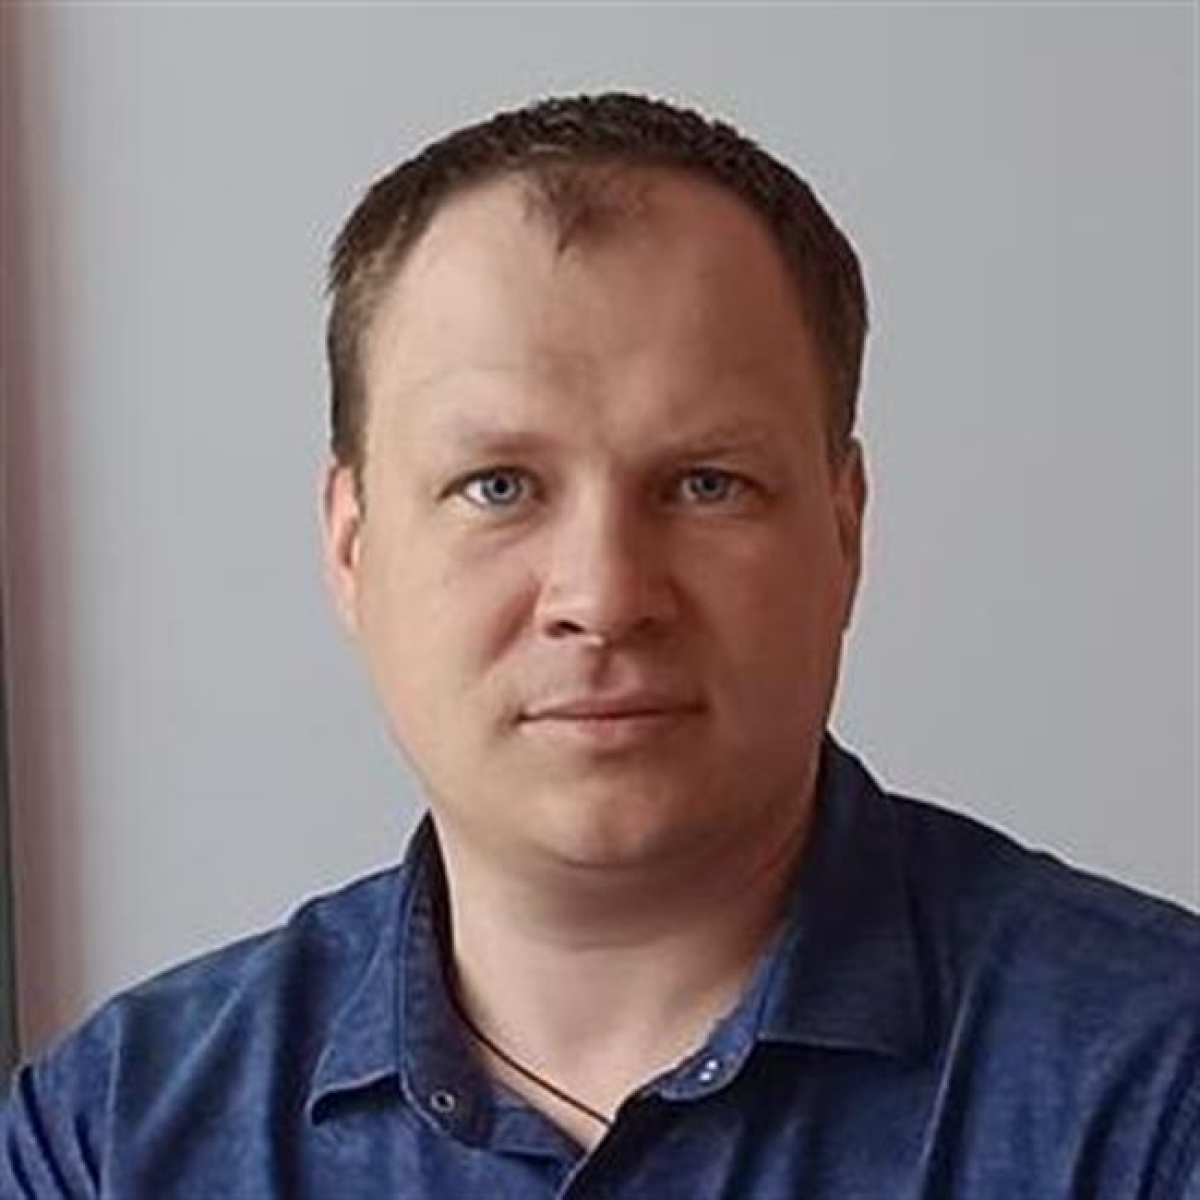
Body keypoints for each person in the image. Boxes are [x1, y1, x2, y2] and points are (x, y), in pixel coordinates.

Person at [2, 91, 1196, 1198]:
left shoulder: (1160, 1086)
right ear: (352, 544)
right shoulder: (108, 1140)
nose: (606, 597)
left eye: (706, 483)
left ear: (844, 530)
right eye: (498, 485)